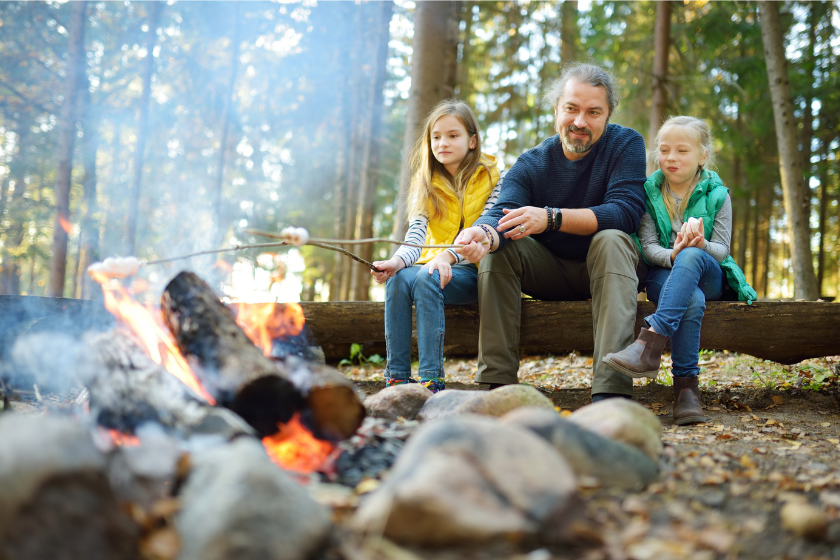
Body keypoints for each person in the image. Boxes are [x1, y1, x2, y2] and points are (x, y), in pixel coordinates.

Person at [455, 63, 647, 402]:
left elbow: (626, 212)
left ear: (608, 115)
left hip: (607, 268)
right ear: (556, 109)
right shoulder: (532, 162)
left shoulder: (625, 144)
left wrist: (552, 218)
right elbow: (501, 212)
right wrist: (483, 235)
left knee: (613, 237)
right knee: (498, 246)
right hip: (548, 271)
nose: (580, 122)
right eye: (571, 109)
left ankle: (611, 392)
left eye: (593, 112)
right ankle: (496, 386)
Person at [602, 116, 756, 424]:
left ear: (702, 155)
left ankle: (650, 341)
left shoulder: (717, 194)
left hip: (708, 272)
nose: (671, 158)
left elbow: (722, 249)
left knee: (692, 257)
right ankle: (687, 391)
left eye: (682, 151)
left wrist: (697, 245)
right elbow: (647, 247)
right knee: (692, 300)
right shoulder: (648, 192)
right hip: (665, 273)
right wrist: (674, 254)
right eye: (664, 149)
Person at [371, 99, 501, 393]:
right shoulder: (427, 182)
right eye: (436, 136)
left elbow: (480, 232)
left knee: (426, 276)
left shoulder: (493, 178)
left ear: (472, 140)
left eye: (453, 135)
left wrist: (446, 257)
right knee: (398, 279)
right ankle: (397, 377)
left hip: (479, 271)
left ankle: (431, 380)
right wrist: (396, 262)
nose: (443, 143)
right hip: (434, 267)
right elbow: (416, 234)